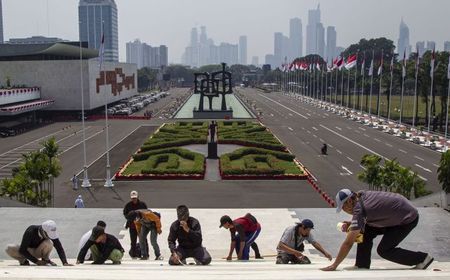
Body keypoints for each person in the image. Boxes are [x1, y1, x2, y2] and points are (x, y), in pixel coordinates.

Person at [322, 189, 434, 271]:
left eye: (343, 208)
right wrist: (354, 223)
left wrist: (335, 265)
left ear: (349, 202)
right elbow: (375, 210)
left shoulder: (359, 210)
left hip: (407, 219)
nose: (344, 211)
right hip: (398, 212)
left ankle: (422, 259)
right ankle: (362, 265)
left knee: (384, 250)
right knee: (365, 232)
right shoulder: (360, 194)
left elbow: (348, 243)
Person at [5, 220, 73, 266]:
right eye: (48, 234)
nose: (50, 236)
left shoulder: (51, 233)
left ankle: (46, 259)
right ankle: (23, 261)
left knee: (49, 242)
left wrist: (65, 262)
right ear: (43, 231)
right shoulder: (30, 230)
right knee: (9, 248)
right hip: (28, 251)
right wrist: (36, 261)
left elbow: (59, 247)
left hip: (39, 251)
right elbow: (23, 249)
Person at [123, 190, 147, 258]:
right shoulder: (128, 205)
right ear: (131, 198)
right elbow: (125, 214)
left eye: (135, 198)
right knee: (133, 241)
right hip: (132, 226)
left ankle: (145, 254)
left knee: (143, 240)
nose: (134, 199)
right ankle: (133, 255)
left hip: (142, 226)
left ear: (138, 197)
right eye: (133, 198)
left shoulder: (142, 204)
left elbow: (146, 213)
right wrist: (132, 215)